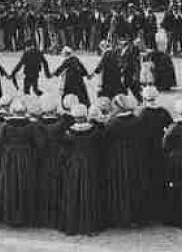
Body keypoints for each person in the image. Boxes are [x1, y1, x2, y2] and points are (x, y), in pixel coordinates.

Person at [59, 103, 103, 236]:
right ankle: (90, 223)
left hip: (74, 164)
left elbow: (64, 152)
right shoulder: (94, 131)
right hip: (90, 163)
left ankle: (73, 223)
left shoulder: (69, 133)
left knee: (73, 192)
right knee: (89, 192)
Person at [0, 99, 39, 227]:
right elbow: (39, 144)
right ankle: (25, 217)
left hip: (9, 158)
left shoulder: (6, 126)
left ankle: (10, 216)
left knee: (10, 185)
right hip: (26, 158)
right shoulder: (31, 126)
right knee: (24, 184)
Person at [103, 94, 146, 227]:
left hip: (118, 157)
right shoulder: (137, 120)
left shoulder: (113, 123)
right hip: (134, 155)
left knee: (120, 186)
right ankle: (136, 216)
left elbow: (106, 140)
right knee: (135, 183)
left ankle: (121, 216)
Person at [137, 86, 173, 222]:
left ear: (144, 98)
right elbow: (170, 127)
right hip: (159, 146)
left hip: (146, 148)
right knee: (160, 176)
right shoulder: (163, 111)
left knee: (148, 176)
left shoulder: (142, 112)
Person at [34, 95, 68, 228]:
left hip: (44, 159)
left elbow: (39, 144)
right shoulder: (62, 123)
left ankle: (44, 216)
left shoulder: (38, 124)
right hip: (58, 157)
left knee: (43, 185)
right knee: (58, 185)